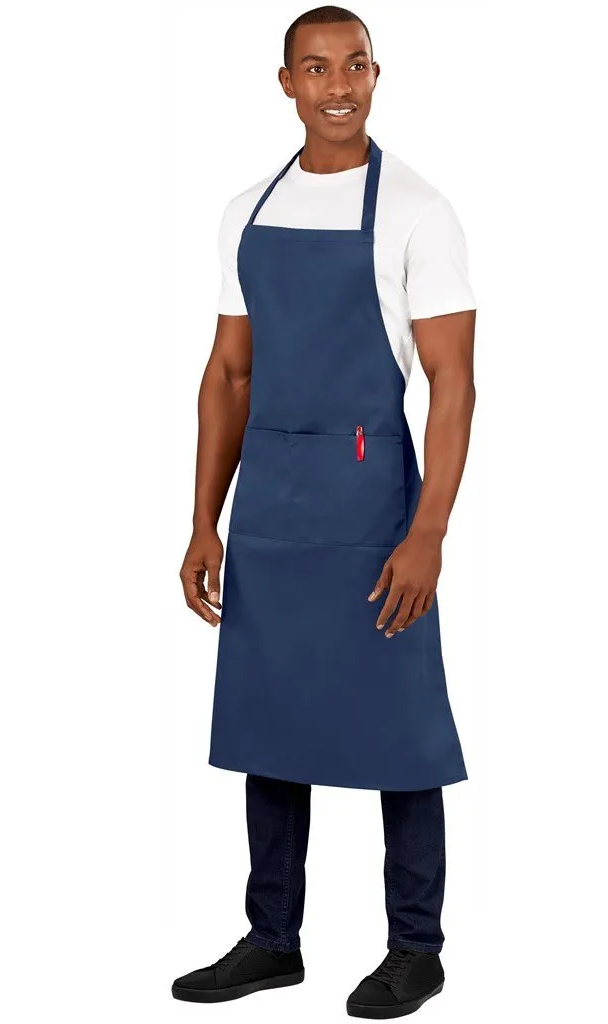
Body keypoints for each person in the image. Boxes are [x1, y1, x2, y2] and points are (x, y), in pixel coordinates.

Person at [174, 6, 476, 1018]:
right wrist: (203, 518)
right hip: (270, 507)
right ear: (286, 83)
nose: (338, 86)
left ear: (376, 76)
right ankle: (273, 939)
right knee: (270, 724)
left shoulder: (419, 212)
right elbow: (229, 371)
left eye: (355, 66)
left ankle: (416, 947)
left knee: (401, 733)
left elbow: (453, 383)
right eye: (316, 68)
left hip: (372, 506)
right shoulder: (244, 212)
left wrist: (428, 531)